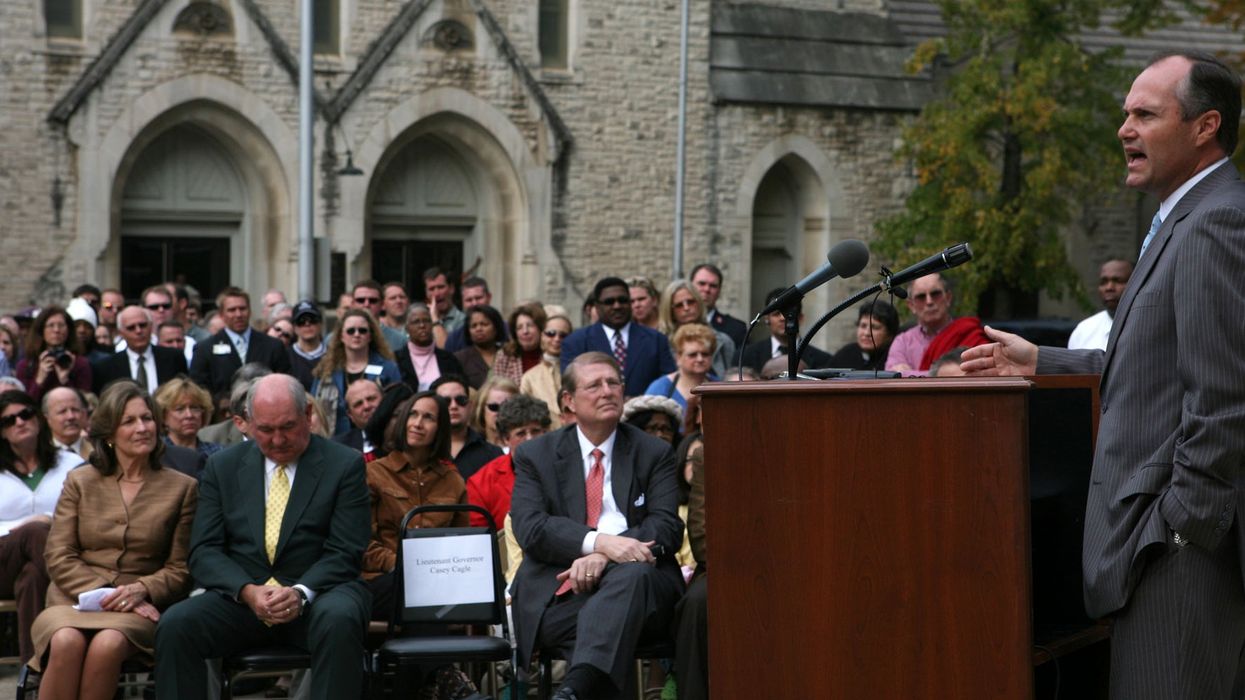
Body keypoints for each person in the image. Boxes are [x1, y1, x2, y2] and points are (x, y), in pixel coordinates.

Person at [960, 51, 1245, 699]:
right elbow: (1160, 366)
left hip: (1177, 557)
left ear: (1204, 127)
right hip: (1160, 550)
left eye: (1144, 114)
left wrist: (1177, 530)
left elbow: (1225, 399)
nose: (1123, 128)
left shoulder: (1215, 222)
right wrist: (1042, 362)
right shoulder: (1180, 217)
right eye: (1124, 114)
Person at [154, 374, 371, 700]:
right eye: (266, 430)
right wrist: (247, 591)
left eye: (288, 426)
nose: (278, 439)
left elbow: (346, 550)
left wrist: (300, 592)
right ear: (246, 424)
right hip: (245, 600)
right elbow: (204, 551)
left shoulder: (345, 464)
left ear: (308, 416)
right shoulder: (221, 467)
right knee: (177, 625)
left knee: (341, 618)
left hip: (318, 596)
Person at [510, 352, 684, 700]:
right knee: (602, 625)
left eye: (613, 382)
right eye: (594, 385)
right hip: (560, 595)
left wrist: (606, 556)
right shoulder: (535, 455)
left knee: (632, 577)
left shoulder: (654, 452)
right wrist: (597, 542)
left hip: (645, 590)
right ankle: (581, 687)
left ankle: (573, 691)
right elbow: (531, 527)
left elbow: (666, 527)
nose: (607, 391)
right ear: (569, 401)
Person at [28, 382, 197, 699]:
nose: (142, 428)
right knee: (66, 641)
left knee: (108, 643)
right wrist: (105, 593)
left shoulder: (182, 487)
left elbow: (180, 568)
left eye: (147, 418)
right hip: (72, 599)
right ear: (108, 434)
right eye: (129, 421)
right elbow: (59, 554)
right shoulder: (80, 480)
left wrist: (141, 590)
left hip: (138, 607)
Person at [362, 392, 467, 618]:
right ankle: (433, 653)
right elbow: (360, 542)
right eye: (413, 415)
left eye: (428, 417)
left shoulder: (452, 481)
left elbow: (463, 543)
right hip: (381, 579)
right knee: (419, 590)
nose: (418, 424)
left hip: (438, 582)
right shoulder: (373, 473)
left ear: (440, 428)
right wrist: (402, 565)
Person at [0, 391, 81, 663]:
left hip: (51, 557)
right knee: (34, 532)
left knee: (32, 576)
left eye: (25, 414)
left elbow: (88, 515)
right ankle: (84, 593)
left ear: (39, 418)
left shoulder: (71, 464)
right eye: (8, 420)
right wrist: (27, 525)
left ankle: (34, 674)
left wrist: (48, 521)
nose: (19, 422)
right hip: (2, 560)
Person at [561, 277, 676, 398]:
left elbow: (669, 384)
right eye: (609, 302)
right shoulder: (576, 342)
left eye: (623, 300)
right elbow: (571, 386)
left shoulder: (656, 340)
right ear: (597, 306)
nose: (617, 306)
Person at [310, 308, 400, 436]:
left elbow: (398, 406)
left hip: (379, 439)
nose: (356, 334)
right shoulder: (326, 370)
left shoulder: (388, 368)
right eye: (350, 331)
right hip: (335, 441)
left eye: (362, 330)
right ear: (341, 336)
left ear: (370, 336)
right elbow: (315, 408)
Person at [466, 395, 551, 530]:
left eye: (535, 431)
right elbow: (480, 538)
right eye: (520, 433)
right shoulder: (482, 482)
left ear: (546, 433)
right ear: (506, 439)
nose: (530, 439)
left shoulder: (567, 467)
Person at [190, 287, 292, 397]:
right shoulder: (205, 349)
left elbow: (285, 385)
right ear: (221, 314)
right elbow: (199, 390)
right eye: (232, 310)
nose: (238, 315)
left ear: (250, 310)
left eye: (242, 309)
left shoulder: (273, 346)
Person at [885, 273, 987, 375]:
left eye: (935, 294)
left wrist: (909, 374)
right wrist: (947, 374)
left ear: (948, 298)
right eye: (921, 297)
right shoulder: (903, 342)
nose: (929, 301)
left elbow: (981, 374)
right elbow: (891, 377)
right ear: (911, 305)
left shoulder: (969, 333)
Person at [92, 306, 187, 396]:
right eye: (131, 327)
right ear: (121, 333)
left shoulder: (174, 358)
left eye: (142, 325)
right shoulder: (106, 367)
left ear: (151, 327)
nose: (138, 331)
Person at [739, 288, 832, 376]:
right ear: (767, 319)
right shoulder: (745, 356)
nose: (783, 318)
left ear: (800, 318)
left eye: (789, 314)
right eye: (776, 314)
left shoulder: (823, 360)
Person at [656, 280, 737, 379]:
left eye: (690, 302)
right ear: (670, 310)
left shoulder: (723, 342)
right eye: (679, 305)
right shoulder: (659, 343)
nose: (686, 308)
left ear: (699, 303)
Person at [430, 375, 502, 482]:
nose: (454, 406)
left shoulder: (493, 454)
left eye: (461, 400)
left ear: (470, 406)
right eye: (445, 401)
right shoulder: (421, 451)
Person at [16, 306, 93, 401]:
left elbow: (84, 402)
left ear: (68, 330)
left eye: (61, 325)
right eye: (51, 325)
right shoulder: (26, 365)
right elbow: (24, 404)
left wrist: (65, 380)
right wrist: (39, 380)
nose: (56, 330)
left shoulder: (80, 363)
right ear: (41, 330)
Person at [644, 324, 717, 409]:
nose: (700, 359)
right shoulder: (659, 389)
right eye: (692, 355)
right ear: (678, 358)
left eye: (705, 354)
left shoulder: (719, 386)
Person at [1067, 259, 1135, 350]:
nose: (1109, 287)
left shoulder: (1147, 326)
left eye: (1118, 281)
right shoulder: (1083, 330)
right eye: (1103, 282)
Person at [521, 312, 573, 428]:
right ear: (541, 336)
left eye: (563, 335)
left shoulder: (579, 372)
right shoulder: (529, 377)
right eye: (551, 333)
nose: (557, 339)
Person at [394, 304, 463, 392]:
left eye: (426, 321)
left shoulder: (449, 359)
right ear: (407, 328)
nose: (422, 325)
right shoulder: (396, 359)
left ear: (432, 325)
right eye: (416, 322)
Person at [153, 377, 222, 461]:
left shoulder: (218, 453)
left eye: (194, 408)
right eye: (180, 409)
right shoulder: (155, 453)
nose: (189, 415)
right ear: (163, 416)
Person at [829, 300, 900, 371]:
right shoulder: (846, 354)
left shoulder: (897, 358)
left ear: (890, 334)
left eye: (875, 327)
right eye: (863, 326)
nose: (867, 333)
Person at [690, 263, 748, 349]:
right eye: (702, 284)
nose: (707, 289)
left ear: (719, 291)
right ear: (690, 286)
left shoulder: (736, 329)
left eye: (713, 286)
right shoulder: (676, 323)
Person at [453, 305, 507, 390]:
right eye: (473, 326)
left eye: (484, 324)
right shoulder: (459, 359)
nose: (478, 329)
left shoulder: (508, 354)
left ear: (496, 327)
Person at [492, 303, 546, 385]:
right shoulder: (504, 356)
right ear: (515, 333)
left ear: (541, 328)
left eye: (530, 325)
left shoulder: (549, 356)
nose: (525, 331)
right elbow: (497, 387)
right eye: (519, 327)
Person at [332, 378, 383, 461]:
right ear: (350, 415)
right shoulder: (339, 448)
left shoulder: (402, 436)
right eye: (358, 404)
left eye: (371, 399)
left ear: (384, 399)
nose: (366, 406)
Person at [351, 280, 407, 352]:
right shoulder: (335, 338)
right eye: (361, 300)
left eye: (373, 300)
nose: (366, 304)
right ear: (352, 304)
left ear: (382, 304)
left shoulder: (400, 340)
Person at [42, 387, 91, 460]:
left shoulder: (99, 452)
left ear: (84, 414)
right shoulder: (39, 457)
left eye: (75, 410)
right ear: (47, 419)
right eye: (62, 411)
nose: (70, 416)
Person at [287, 300, 327, 390]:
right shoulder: (285, 357)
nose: (307, 324)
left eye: (312, 320)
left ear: (320, 323)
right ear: (294, 327)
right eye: (301, 321)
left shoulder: (333, 355)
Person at [471, 375, 519, 448]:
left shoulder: (526, 447)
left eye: (507, 407)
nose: (501, 412)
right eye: (494, 407)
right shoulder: (472, 448)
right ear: (481, 410)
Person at [423, 267, 465, 338]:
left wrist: (435, 320)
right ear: (426, 293)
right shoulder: (422, 320)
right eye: (431, 289)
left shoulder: (463, 321)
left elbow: (445, 348)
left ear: (451, 289)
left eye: (441, 287)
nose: (436, 294)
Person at [379, 282, 411, 350]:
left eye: (402, 297)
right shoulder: (378, 328)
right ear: (382, 305)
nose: (399, 301)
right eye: (393, 298)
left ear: (408, 302)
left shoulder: (417, 325)